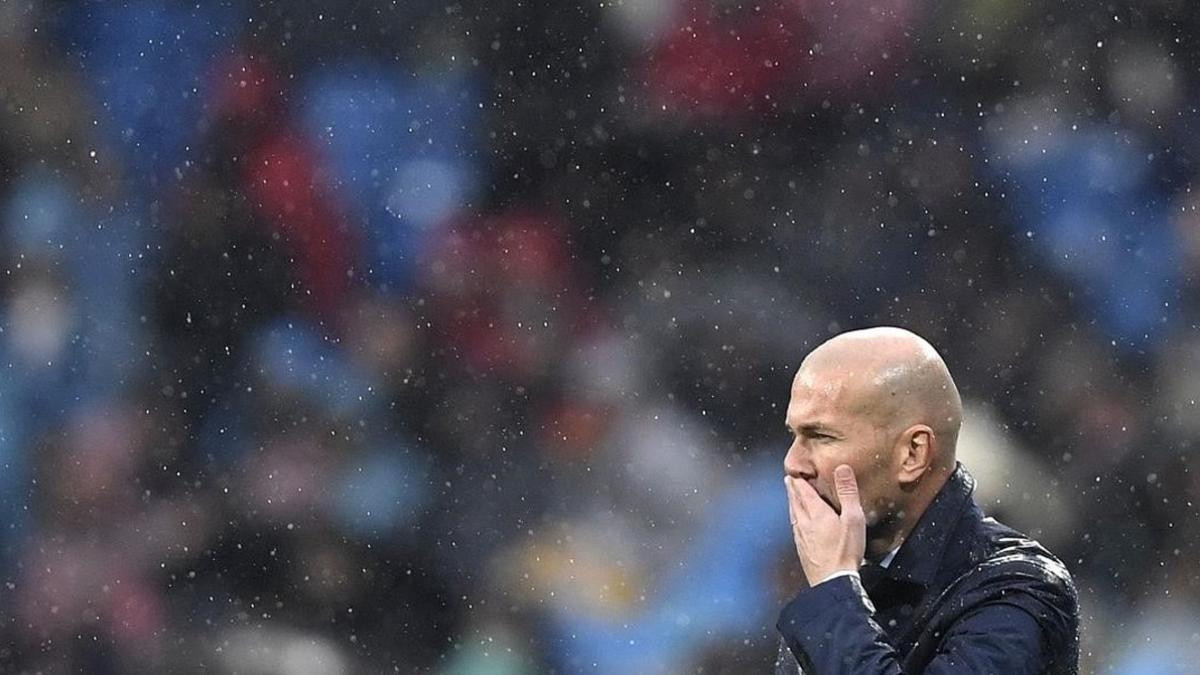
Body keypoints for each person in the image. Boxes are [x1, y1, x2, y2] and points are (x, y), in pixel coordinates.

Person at [775, 327, 1078, 674]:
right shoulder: (846, 580)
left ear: (912, 454)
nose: (792, 462)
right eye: (794, 435)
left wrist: (834, 591)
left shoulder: (1018, 592)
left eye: (821, 436)